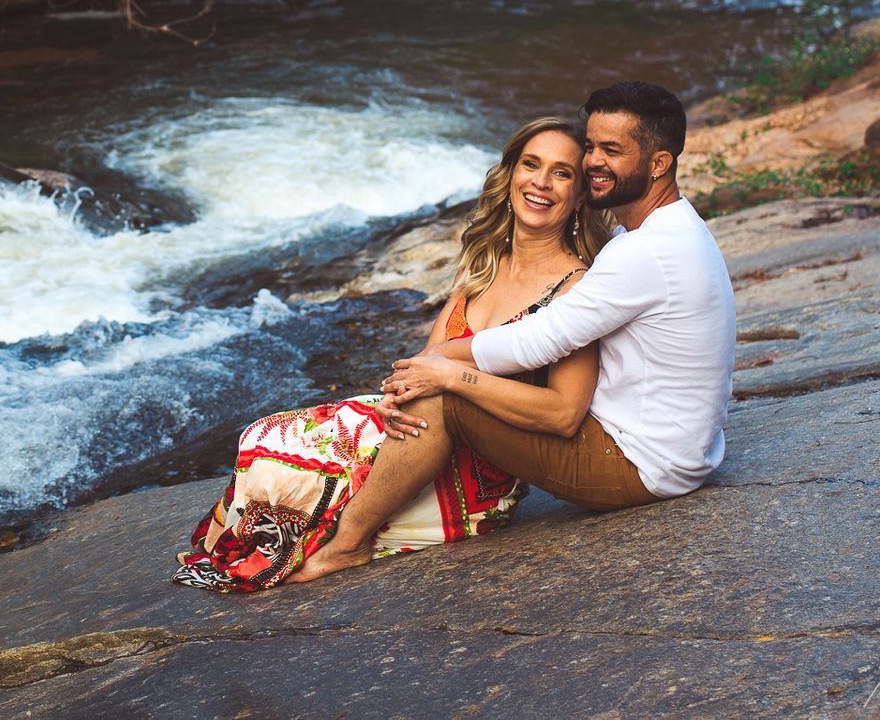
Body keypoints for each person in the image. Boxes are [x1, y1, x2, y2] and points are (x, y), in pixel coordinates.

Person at [286, 80, 737, 585]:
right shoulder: (659, 232)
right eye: (590, 146)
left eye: (612, 150)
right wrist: (433, 365)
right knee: (442, 381)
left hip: (639, 464)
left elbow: (538, 338)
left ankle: (347, 545)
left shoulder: (644, 252)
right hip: (674, 450)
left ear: (658, 164)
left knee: (444, 398)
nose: (593, 162)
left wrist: (437, 367)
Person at [173, 115, 611, 592]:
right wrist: (394, 399)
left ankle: (348, 544)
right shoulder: (487, 263)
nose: (541, 183)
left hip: (476, 474)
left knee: (304, 475)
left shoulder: (578, 289)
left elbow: (564, 414)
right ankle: (252, 542)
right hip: (417, 432)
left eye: (562, 173)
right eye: (531, 164)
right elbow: (425, 365)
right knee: (262, 438)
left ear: (580, 194)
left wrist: (445, 384)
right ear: (511, 173)